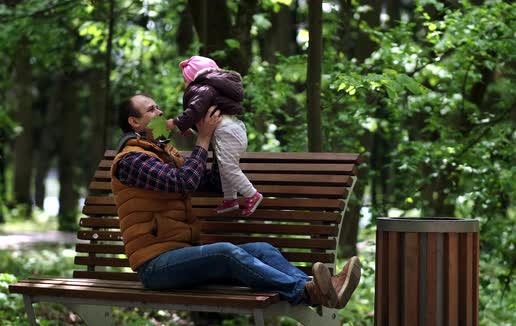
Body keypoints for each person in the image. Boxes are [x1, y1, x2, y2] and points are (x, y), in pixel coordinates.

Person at [111, 93, 362, 309]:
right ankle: (307, 291)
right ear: (135, 121)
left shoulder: (163, 154)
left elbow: (213, 182)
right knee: (226, 252)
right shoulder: (131, 160)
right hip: (155, 266)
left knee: (263, 250)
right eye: (151, 109)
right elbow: (184, 182)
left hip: (181, 256)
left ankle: (322, 288)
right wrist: (203, 140)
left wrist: (223, 141)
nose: (161, 111)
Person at [166, 55, 262, 216]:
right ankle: (230, 199)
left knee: (229, 168)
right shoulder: (212, 90)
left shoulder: (204, 89)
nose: (185, 84)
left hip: (228, 133)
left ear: (194, 77)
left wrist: (176, 122)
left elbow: (194, 111)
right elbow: (204, 117)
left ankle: (252, 194)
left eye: (185, 79)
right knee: (225, 168)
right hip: (230, 132)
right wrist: (188, 128)